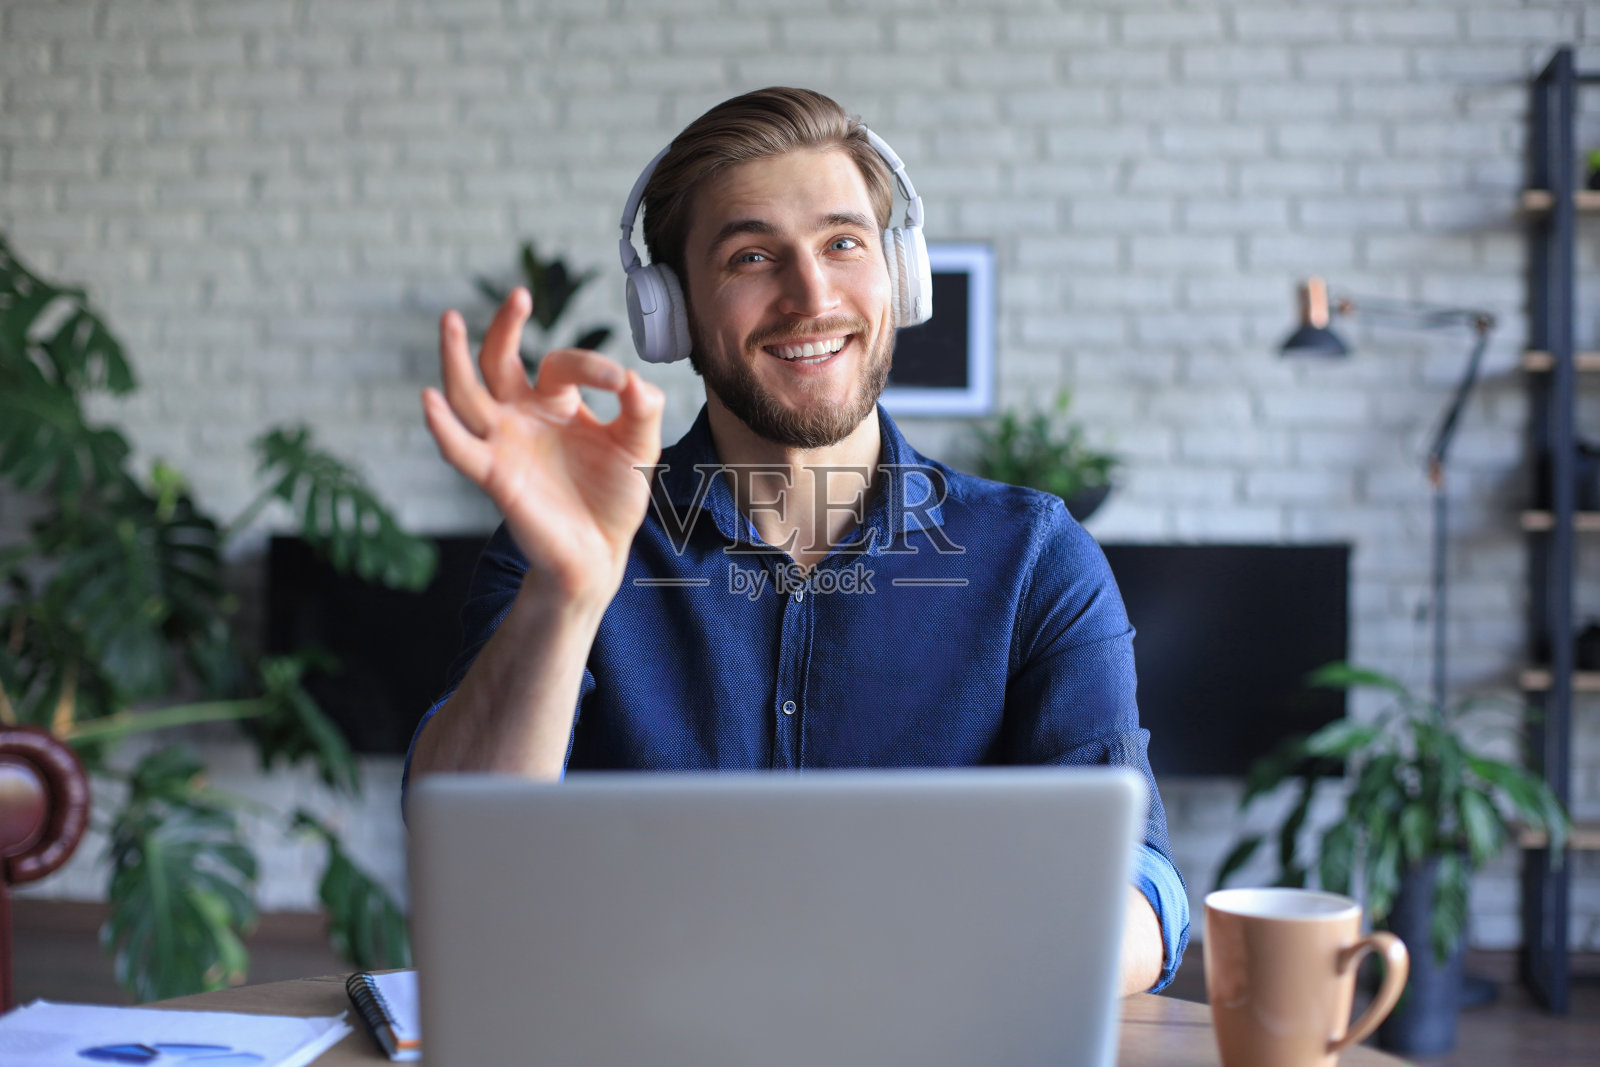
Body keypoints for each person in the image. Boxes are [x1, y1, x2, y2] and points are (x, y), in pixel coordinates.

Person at [406, 87, 1189, 994]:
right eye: (750, 256)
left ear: (901, 273)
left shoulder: (1034, 559)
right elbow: (461, 851)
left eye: (843, 243)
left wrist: (896, 977)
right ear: (671, 314)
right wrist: (569, 591)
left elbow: (1145, 888)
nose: (810, 295)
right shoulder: (565, 544)